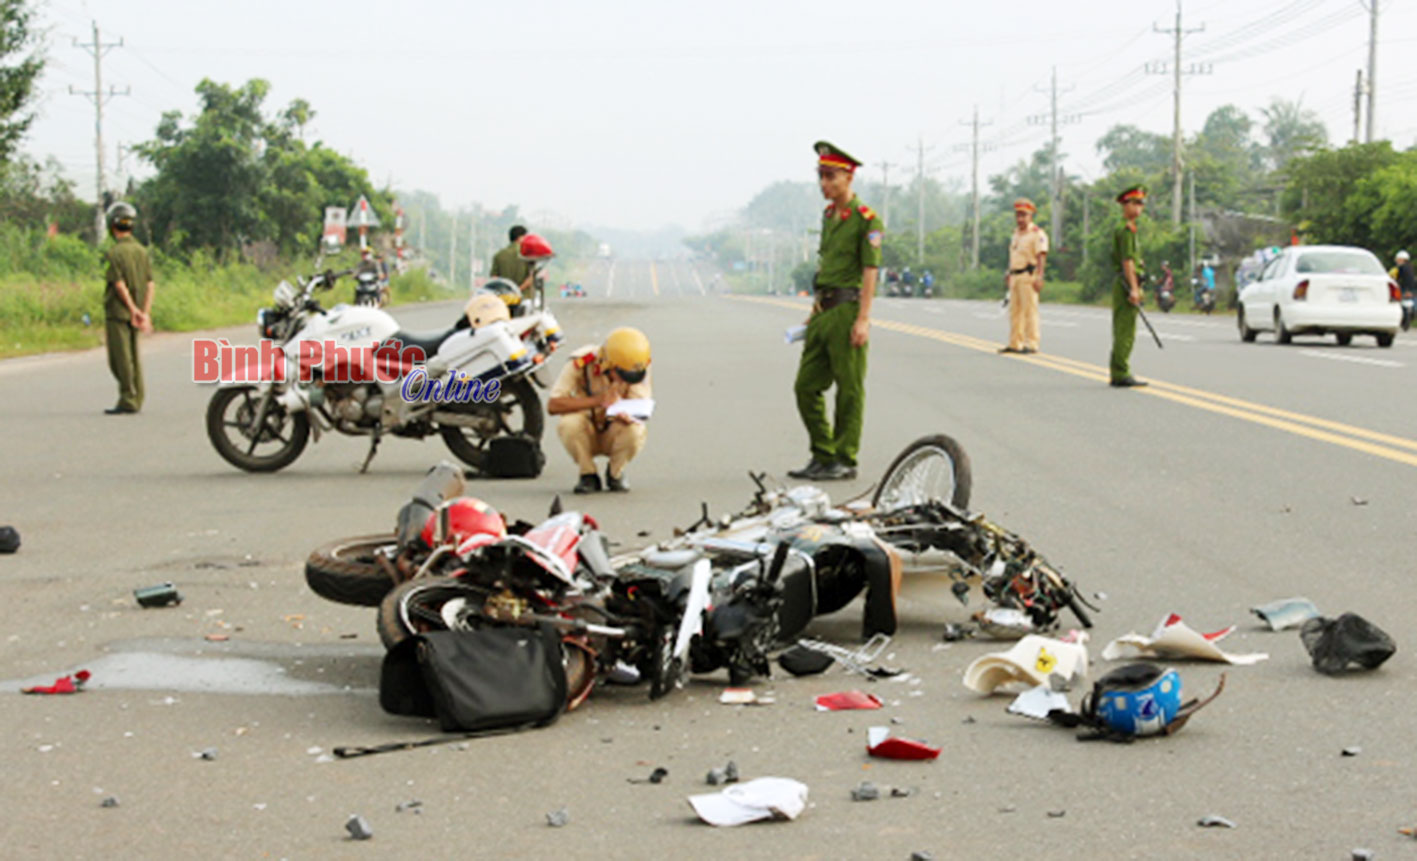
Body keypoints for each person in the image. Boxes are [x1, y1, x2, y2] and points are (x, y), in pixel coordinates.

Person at [788, 141, 883, 481]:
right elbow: (826, 264)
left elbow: (870, 271)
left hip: (847, 310)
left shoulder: (866, 220)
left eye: (830, 177)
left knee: (849, 388)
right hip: (823, 310)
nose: (823, 184)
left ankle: (844, 458)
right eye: (820, 176)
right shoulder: (829, 217)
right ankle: (822, 453)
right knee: (806, 387)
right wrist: (813, 311)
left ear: (848, 177)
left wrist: (863, 319)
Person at [547, 327, 652, 494]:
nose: (626, 380)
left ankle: (615, 473)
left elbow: (639, 404)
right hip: (586, 430)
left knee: (635, 430)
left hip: (614, 429)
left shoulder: (636, 365)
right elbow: (553, 405)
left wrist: (628, 415)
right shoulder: (581, 362)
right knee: (569, 424)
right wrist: (597, 401)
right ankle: (588, 474)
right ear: (608, 364)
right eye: (622, 374)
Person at [102, 202, 154, 414]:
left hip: (119, 313)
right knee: (133, 356)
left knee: (120, 358)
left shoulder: (114, 253)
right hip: (137, 312)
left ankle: (128, 398)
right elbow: (150, 284)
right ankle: (136, 395)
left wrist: (132, 310)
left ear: (112, 225)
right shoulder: (142, 251)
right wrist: (144, 313)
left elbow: (119, 284)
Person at [999, 198, 1049, 354]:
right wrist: (1009, 272)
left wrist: (1040, 277)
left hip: (1029, 276)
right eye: (1018, 215)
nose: (1020, 219)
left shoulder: (1037, 234)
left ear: (1031, 215)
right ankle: (1015, 343)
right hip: (1015, 276)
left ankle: (1031, 343)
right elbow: (1014, 255)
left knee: (1029, 311)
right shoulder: (1016, 234)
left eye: (1023, 215)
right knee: (1014, 312)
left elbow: (1041, 256)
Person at [1110, 186, 1148, 388]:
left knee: (1125, 329)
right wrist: (1133, 288)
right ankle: (1120, 372)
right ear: (1125, 205)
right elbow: (1127, 262)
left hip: (1126, 281)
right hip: (1126, 283)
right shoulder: (1126, 230)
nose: (1139, 207)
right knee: (1125, 330)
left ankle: (1119, 370)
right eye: (1135, 203)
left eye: (1141, 203)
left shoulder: (1128, 228)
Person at [490, 225, 535, 300]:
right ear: (520, 237)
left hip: (504, 299)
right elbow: (530, 278)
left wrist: (507, 292)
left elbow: (494, 278)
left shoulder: (499, 255)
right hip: (524, 298)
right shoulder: (527, 255)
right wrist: (517, 290)